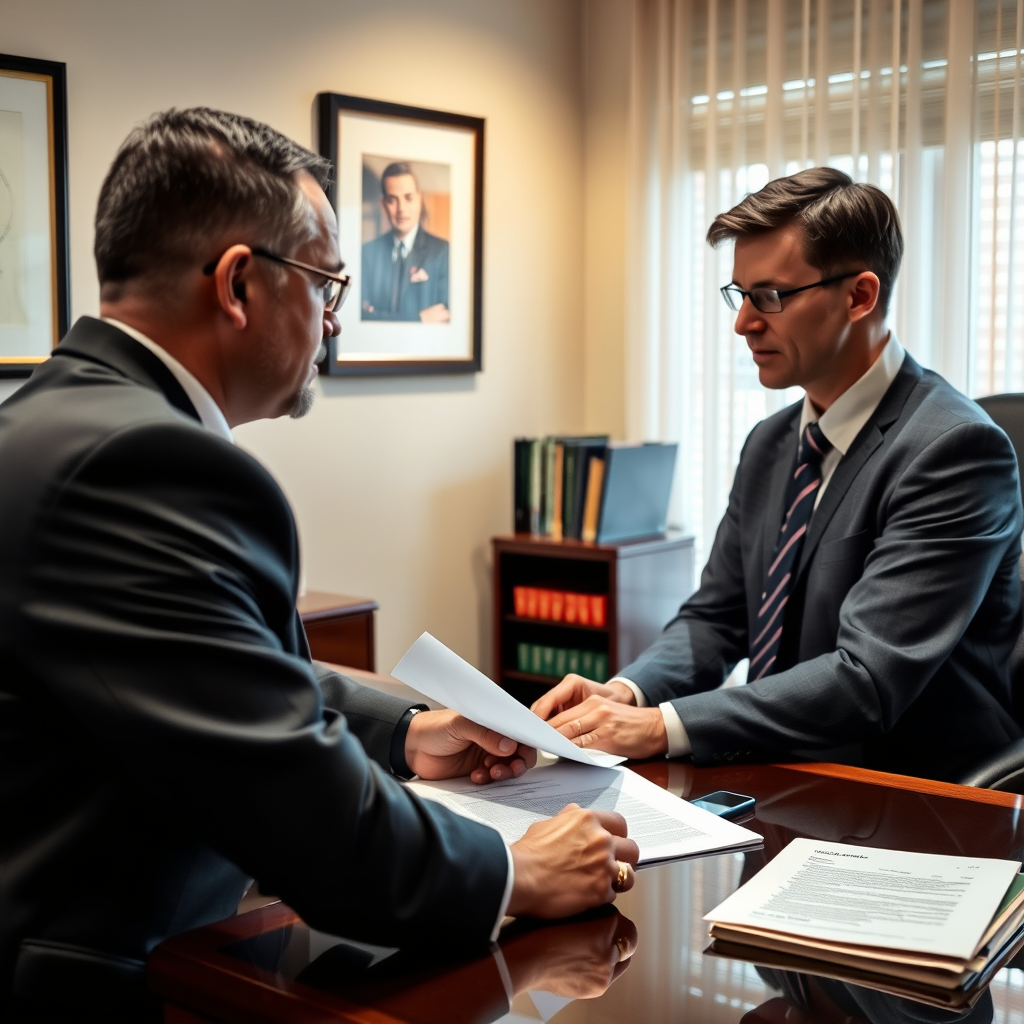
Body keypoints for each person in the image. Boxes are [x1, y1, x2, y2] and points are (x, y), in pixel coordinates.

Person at [0, 108, 638, 1018]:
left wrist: (406, 732)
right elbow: (306, 823)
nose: (336, 318)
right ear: (238, 284)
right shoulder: (153, 465)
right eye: (326, 282)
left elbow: (214, 677)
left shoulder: (43, 425)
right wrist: (516, 869)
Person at [533, 167, 1024, 783]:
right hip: (784, 770)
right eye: (740, 295)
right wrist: (629, 692)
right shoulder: (769, 442)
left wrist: (661, 726)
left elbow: (866, 680)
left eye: (770, 296)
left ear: (859, 296)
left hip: (917, 794)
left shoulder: (954, 450)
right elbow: (716, 618)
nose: (743, 323)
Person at [360, 161, 450, 322]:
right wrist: (419, 319)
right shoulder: (367, 253)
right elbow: (362, 316)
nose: (401, 208)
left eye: (408, 198)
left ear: (420, 200)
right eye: (392, 199)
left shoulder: (442, 252)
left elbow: (444, 316)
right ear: (383, 204)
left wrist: (381, 316)